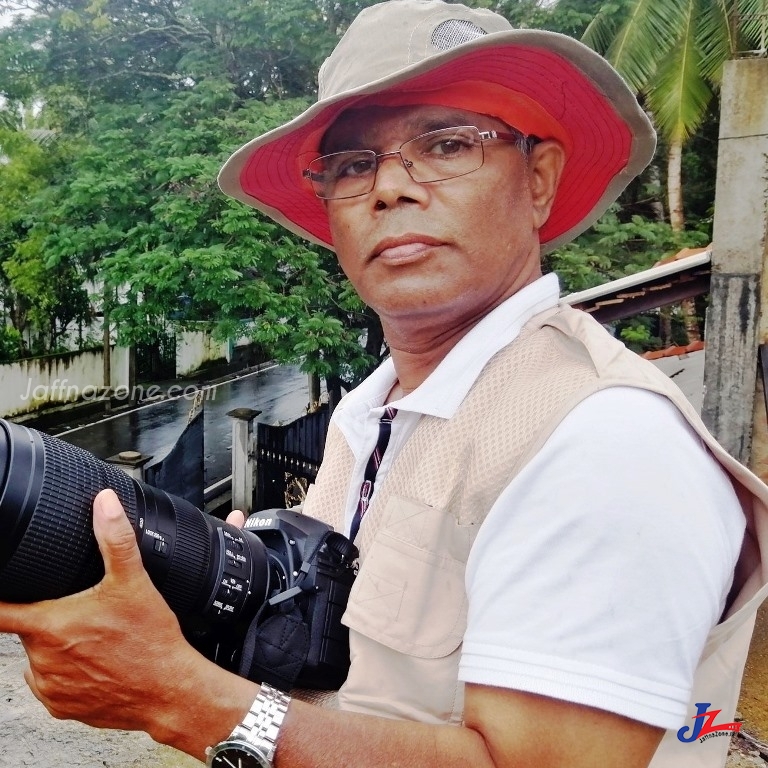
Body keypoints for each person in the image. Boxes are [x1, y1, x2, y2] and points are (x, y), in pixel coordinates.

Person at [2, 1, 768, 767]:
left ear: (538, 181)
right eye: (354, 165)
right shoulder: (367, 417)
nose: (391, 189)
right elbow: (359, 687)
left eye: (447, 144)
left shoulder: (604, 440)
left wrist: (184, 701)